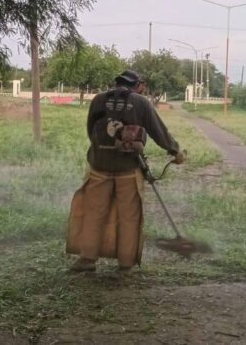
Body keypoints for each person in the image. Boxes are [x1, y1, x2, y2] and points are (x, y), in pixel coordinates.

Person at [66, 69, 184, 272]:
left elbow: (90, 130)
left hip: (99, 167)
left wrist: (102, 151)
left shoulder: (98, 100)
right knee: (129, 217)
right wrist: (174, 150)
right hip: (128, 169)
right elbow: (158, 131)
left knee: (93, 213)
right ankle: (126, 262)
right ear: (136, 85)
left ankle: (87, 259)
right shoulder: (141, 102)